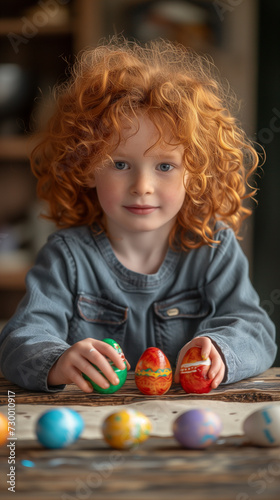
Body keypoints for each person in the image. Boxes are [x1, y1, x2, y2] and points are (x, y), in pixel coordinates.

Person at [0, 36, 277, 393]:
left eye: (164, 165)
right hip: (92, 432)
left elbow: (255, 330)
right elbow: (19, 339)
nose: (142, 185)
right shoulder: (67, 256)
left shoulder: (213, 246)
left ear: (195, 173)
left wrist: (224, 351)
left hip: (191, 431)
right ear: (86, 166)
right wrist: (56, 359)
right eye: (119, 164)